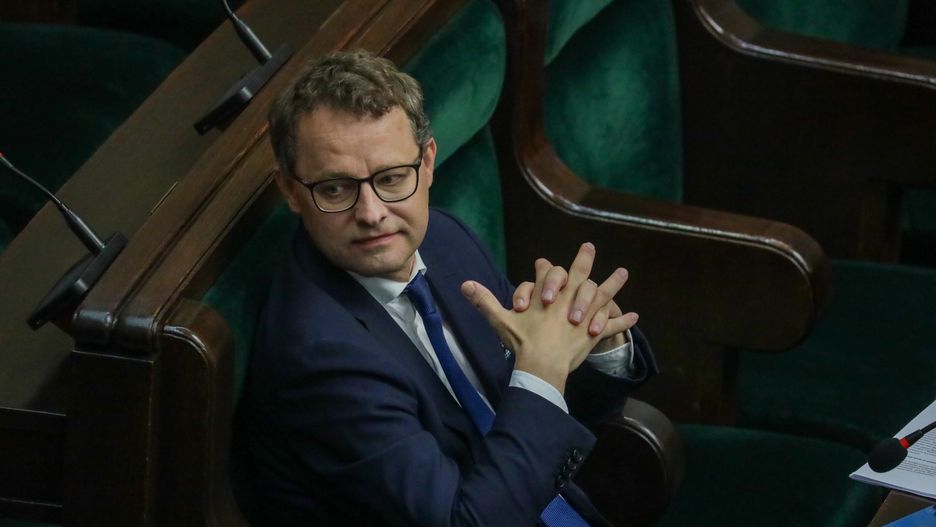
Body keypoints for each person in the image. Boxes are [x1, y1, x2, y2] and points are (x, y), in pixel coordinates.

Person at [237, 49, 658, 526]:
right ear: (291, 191)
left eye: (391, 178)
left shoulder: (443, 239)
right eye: (335, 189)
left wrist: (591, 344)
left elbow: (539, 416)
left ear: (428, 163)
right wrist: (541, 369)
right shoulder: (316, 359)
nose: (372, 213)